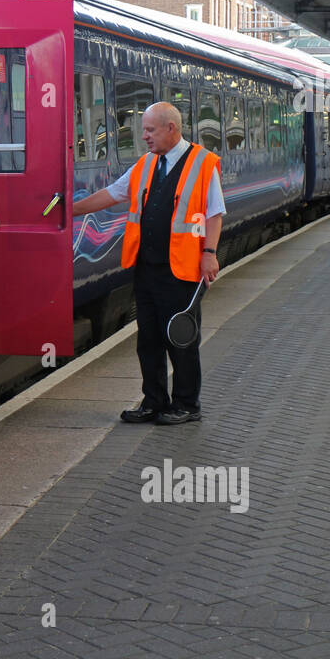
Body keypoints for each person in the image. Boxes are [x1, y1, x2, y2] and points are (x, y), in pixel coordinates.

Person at [74, 102, 225, 425]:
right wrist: (68, 211)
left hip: (182, 270)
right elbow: (113, 194)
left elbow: (214, 213)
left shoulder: (203, 163)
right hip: (147, 268)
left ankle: (187, 404)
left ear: (171, 128)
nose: (143, 136)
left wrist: (209, 253)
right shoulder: (146, 164)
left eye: (150, 130)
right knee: (149, 339)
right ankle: (154, 401)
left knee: (180, 338)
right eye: (144, 130)